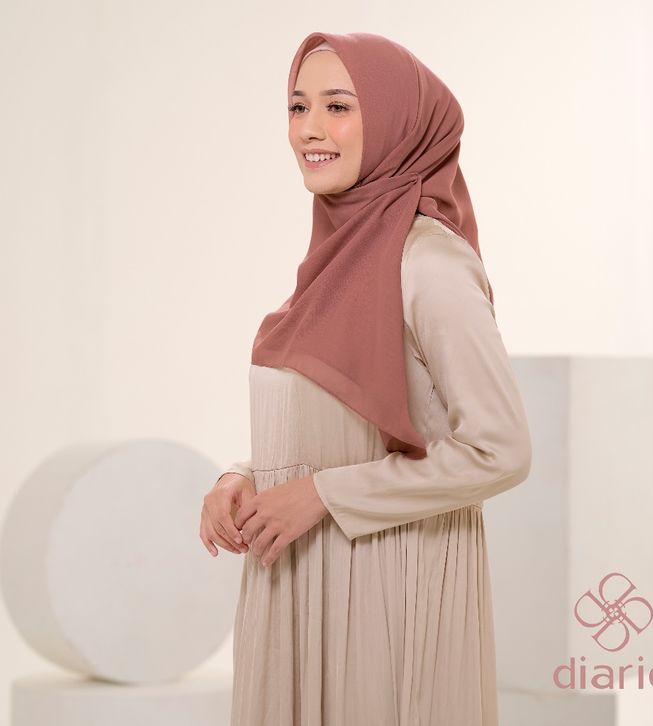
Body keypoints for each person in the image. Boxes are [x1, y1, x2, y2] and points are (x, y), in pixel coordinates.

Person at [199, 31, 532, 726]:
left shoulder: (430, 265)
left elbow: (500, 450)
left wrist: (323, 495)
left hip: (386, 596)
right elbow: (346, 424)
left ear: (395, 122)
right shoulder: (333, 262)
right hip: (302, 585)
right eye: (298, 106)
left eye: (339, 106)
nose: (309, 129)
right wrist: (246, 476)